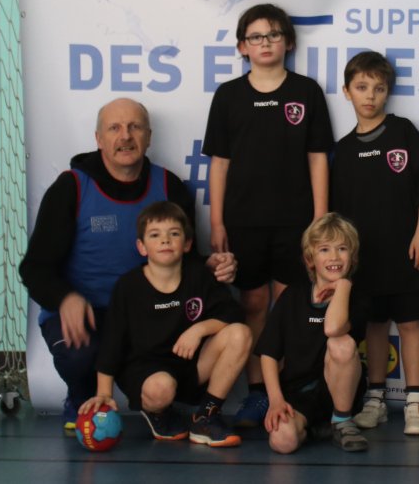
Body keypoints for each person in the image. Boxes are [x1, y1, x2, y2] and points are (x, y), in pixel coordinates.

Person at [19, 97, 236, 432]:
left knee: (211, 333)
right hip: (89, 313)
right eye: (114, 128)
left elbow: (184, 258)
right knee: (81, 353)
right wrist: (66, 299)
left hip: (149, 314)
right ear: (98, 138)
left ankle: (161, 405)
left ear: (149, 137)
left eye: (135, 127)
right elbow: (34, 268)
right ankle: (81, 395)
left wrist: (211, 265)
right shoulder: (71, 188)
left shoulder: (169, 186)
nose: (125, 136)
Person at [202, 3, 334, 427]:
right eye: (256, 36)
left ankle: (291, 391)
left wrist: (319, 220)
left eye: (274, 35)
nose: (265, 43)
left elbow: (318, 158)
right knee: (254, 303)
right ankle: (258, 392)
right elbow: (219, 164)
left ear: (288, 42)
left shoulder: (306, 92)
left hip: (297, 222)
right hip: (244, 222)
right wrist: (217, 222)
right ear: (243, 46)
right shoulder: (229, 96)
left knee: (290, 305)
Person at [330, 51, 419, 436]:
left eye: (378, 88)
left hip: (408, 249)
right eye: (362, 87)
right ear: (347, 92)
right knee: (375, 326)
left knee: (409, 324)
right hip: (366, 258)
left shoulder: (404, 132)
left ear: (388, 92)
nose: (370, 96)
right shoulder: (344, 150)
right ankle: (375, 399)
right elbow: (339, 215)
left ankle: (415, 402)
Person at [79, 201, 250, 447]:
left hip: (189, 368)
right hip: (147, 373)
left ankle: (206, 417)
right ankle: (158, 413)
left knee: (240, 333)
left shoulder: (199, 275)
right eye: (155, 235)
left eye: (174, 234)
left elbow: (233, 313)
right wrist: (104, 393)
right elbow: (112, 343)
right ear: (141, 247)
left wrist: (199, 329)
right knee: (161, 388)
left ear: (187, 244)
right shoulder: (128, 287)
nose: (165, 241)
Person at [257, 213, 370, 453]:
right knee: (282, 442)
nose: (334, 257)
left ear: (352, 257)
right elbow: (268, 353)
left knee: (341, 343)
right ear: (310, 259)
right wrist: (275, 400)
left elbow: (333, 328)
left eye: (342, 249)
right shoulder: (292, 296)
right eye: (324, 250)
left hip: (338, 394)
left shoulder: (357, 298)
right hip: (298, 395)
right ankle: (316, 429)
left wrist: (343, 286)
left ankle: (342, 422)